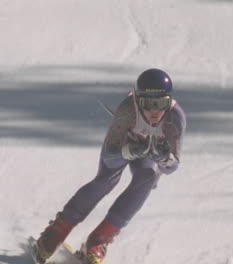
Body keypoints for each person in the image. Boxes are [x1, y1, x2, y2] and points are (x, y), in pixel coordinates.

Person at [33, 68, 187, 264]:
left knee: (147, 177)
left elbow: (171, 168)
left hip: (148, 154)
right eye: (148, 104)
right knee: (106, 180)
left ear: (170, 101)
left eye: (161, 104)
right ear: (137, 100)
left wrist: (163, 157)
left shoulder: (175, 118)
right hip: (122, 146)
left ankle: (99, 238)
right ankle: (56, 231)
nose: (155, 111)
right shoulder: (127, 110)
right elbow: (110, 159)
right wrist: (129, 151)